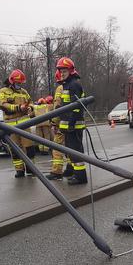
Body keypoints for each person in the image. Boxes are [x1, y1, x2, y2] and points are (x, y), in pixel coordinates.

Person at [54, 57, 87, 185]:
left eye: (64, 71)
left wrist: (71, 124)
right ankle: (75, 173)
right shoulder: (67, 84)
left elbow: (77, 107)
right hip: (68, 125)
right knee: (71, 151)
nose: (62, 73)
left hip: (74, 126)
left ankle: (80, 177)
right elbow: (67, 106)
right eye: (61, 71)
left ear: (71, 70)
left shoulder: (74, 84)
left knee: (76, 151)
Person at [0, 69, 36, 178]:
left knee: (29, 147)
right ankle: (19, 170)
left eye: (21, 83)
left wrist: (30, 108)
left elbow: (31, 102)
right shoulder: (3, 91)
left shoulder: (24, 92)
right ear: (12, 81)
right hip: (11, 125)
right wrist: (19, 107)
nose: (19, 85)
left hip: (24, 124)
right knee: (15, 149)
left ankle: (30, 168)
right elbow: (3, 105)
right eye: (18, 83)